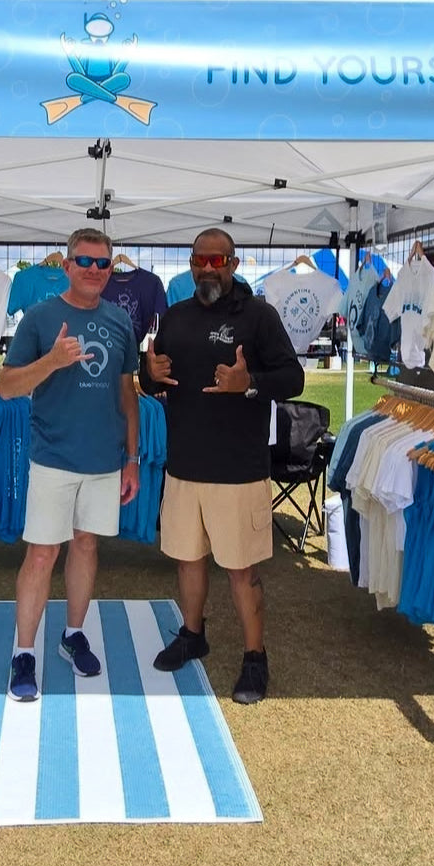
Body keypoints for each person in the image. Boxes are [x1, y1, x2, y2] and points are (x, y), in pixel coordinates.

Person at [140, 228, 304, 704]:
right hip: (184, 467)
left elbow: (292, 377)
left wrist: (248, 382)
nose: (207, 268)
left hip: (238, 471)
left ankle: (255, 658)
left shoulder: (258, 316)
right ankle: (193, 634)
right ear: (191, 264)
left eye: (217, 260)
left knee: (239, 570)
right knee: (188, 559)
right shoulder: (175, 316)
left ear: (233, 264)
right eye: (199, 260)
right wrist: (147, 375)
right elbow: (152, 380)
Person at [0, 230, 140, 702]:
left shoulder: (121, 322)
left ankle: (72, 634)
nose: (95, 270)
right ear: (67, 264)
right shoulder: (40, 318)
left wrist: (133, 458)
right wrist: (52, 362)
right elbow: (7, 387)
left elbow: (127, 395)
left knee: (85, 546)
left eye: (104, 264)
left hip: (104, 461)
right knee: (42, 554)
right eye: (85, 260)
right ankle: (24, 653)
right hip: (54, 459)